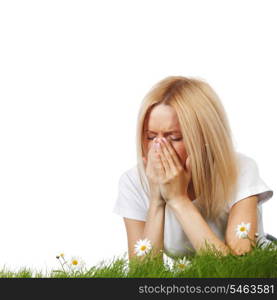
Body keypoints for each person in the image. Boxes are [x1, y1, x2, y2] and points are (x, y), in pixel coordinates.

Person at [112, 76, 274, 261]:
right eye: (150, 137)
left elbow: (237, 267)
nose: (158, 148)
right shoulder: (133, 182)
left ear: (205, 139)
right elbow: (143, 277)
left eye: (173, 138)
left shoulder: (241, 169)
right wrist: (157, 200)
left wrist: (178, 200)